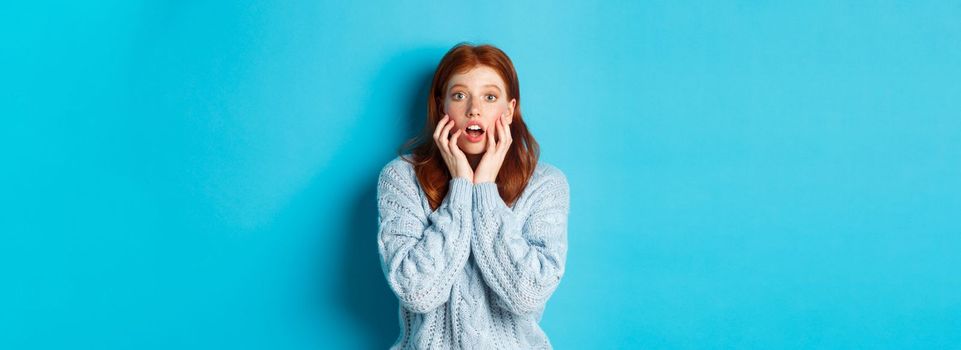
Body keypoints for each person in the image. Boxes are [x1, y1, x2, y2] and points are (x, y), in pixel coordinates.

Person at [376, 43, 570, 349]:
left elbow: (527, 295)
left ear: (508, 109)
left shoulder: (545, 185)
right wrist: (462, 186)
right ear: (442, 106)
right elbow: (417, 292)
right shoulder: (401, 178)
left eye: (489, 97)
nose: (474, 109)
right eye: (459, 95)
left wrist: (484, 192)